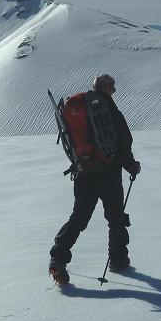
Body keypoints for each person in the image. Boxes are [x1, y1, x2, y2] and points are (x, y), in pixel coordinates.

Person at [49, 74, 141, 285]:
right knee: (115, 218)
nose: (114, 92)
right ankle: (117, 259)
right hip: (109, 174)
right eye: (113, 88)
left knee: (78, 218)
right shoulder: (110, 110)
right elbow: (124, 142)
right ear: (107, 88)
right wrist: (132, 166)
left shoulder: (78, 108)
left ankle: (58, 257)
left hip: (83, 172)